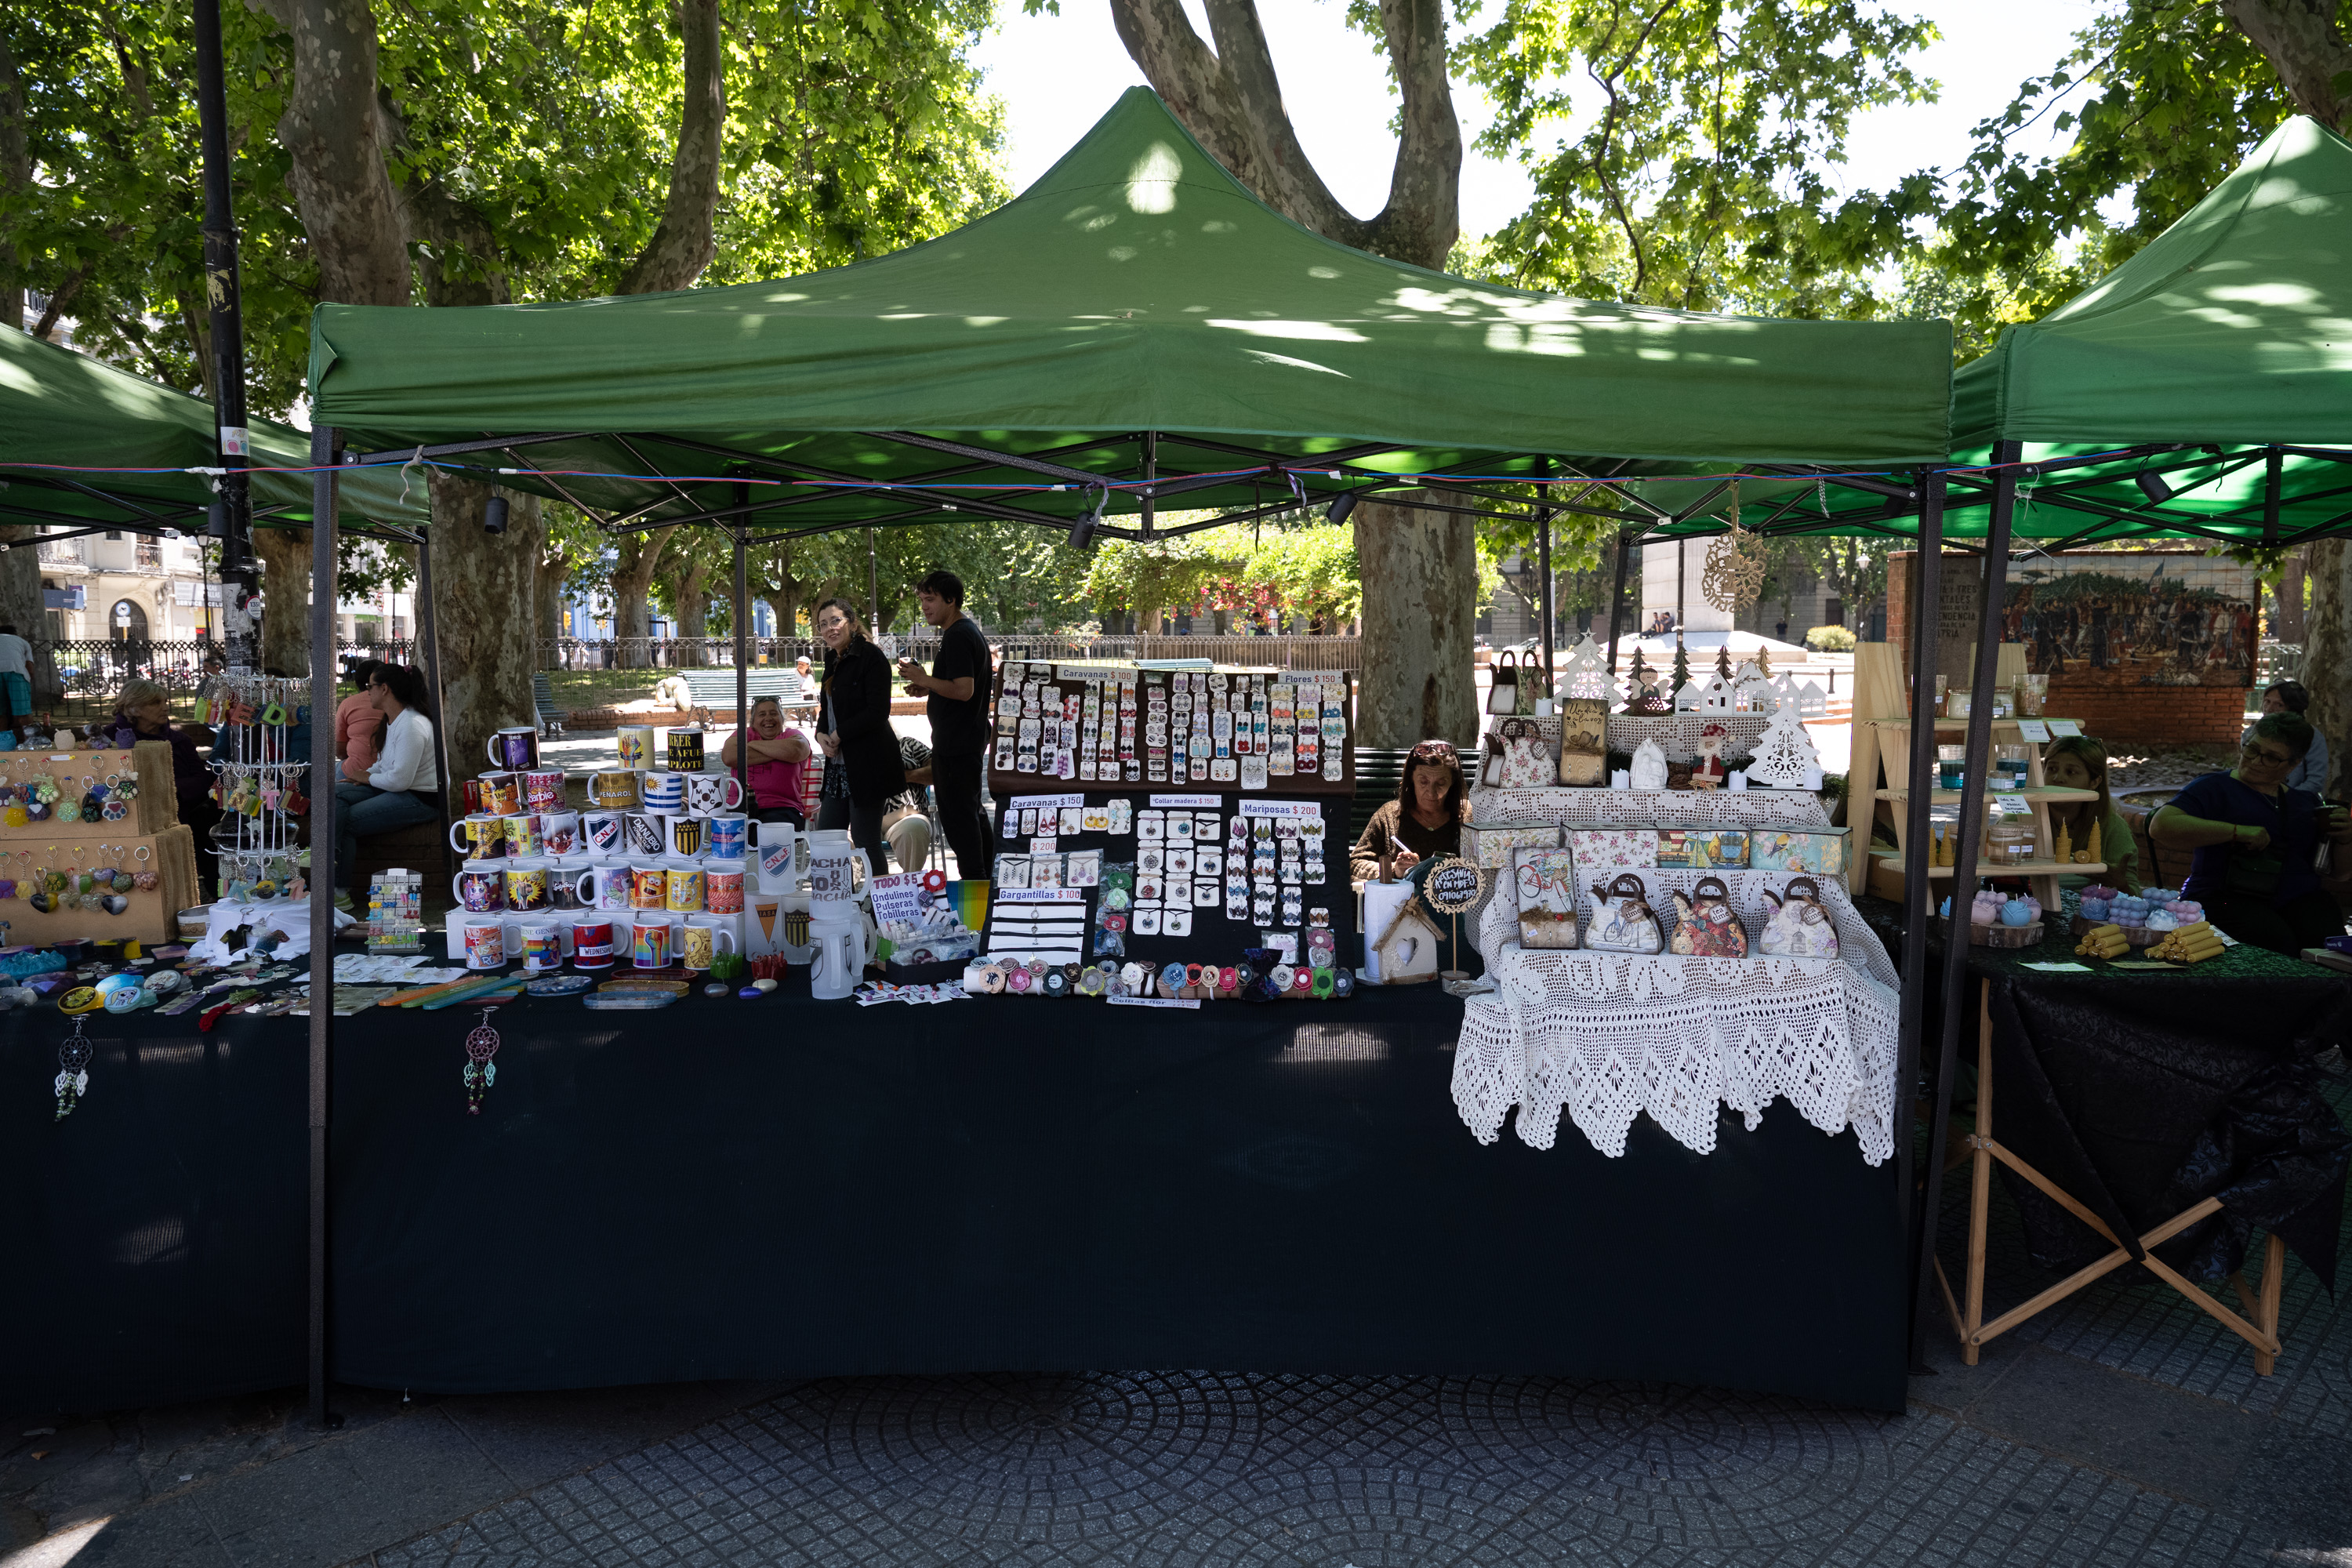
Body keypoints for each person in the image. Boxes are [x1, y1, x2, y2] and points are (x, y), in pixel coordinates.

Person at [2151, 711, 2352, 953]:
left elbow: (2340, 874)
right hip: (2225, 898)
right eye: (2252, 750)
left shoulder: (2305, 803)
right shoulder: (2214, 787)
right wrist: (2237, 832)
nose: (2256, 761)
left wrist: (2345, 838)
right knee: (2275, 942)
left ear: (2293, 764)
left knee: (2329, 944)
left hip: (2299, 899)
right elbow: (2161, 826)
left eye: (2271, 758)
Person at [895, 568, 992, 878]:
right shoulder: (960, 633)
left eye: (931, 599)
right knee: (971, 813)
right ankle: (986, 877)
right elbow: (955, 685)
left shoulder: (960, 634)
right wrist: (928, 686)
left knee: (960, 818)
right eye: (922, 599)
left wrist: (924, 678)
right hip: (961, 739)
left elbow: (964, 690)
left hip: (959, 743)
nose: (925, 606)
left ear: (951, 600)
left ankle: (976, 883)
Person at [332, 664, 442, 909]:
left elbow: (399, 780)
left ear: (385, 689)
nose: (366, 692)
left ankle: (338, 889)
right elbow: (385, 764)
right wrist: (363, 775)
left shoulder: (412, 724)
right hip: (397, 789)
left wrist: (366, 778)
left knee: (347, 822)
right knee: (333, 795)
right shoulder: (396, 720)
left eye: (370, 686)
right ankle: (326, 857)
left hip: (419, 798)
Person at [811, 597, 904, 872]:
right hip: (837, 766)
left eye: (835, 620)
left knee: (865, 841)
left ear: (851, 621)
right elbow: (827, 708)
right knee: (826, 837)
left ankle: (878, 906)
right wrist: (821, 735)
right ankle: (836, 901)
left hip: (867, 764)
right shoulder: (832, 658)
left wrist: (839, 734)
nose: (830, 629)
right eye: (823, 624)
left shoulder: (871, 657)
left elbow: (877, 711)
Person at [115, 677, 221, 895]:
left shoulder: (179, 739)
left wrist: (168, 789)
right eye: (156, 703)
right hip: (132, 815)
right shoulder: (114, 739)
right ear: (134, 708)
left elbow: (202, 778)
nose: (165, 707)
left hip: (182, 812)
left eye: (165, 701)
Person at [1350, 739, 1469, 884]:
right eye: (1423, 782)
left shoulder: (1468, 816)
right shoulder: (1389, 815)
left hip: (1456, 904)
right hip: (1399, 905)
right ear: (1411, 778)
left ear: (1453, 782)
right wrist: (1394, 869)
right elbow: (1355, 864)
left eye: (1441, 783)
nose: (1431, 793)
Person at [2042, 735, 2141, 893]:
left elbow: (2135, 897)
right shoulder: (2020, 818)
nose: (2058, 778)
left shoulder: (2113, 828)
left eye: (2071, 772)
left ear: (2094, 782)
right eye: (2052, 769)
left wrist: (2120, 884)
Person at [721, 694, 812, 828]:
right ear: (753, 722)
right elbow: (729, 756)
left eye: (774, 713)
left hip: (782, 807)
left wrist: (751, 745)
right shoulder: (743, 734)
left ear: (782, 718)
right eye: (762, 714)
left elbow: (797, 751)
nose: (768, 718)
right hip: (739, 805)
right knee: (731, 831)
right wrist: (780, 752)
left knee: (763, 834)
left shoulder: (791, 735)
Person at [2240, 680, 2329, 795]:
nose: (2269, 708)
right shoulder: (2251, 733)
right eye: (2267, 701)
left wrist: (2285, 799)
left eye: (2279, 705)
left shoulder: (2312, 736)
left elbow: (2315, 781)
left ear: (2294, 709)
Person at [335, 658, 386, 784]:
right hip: (367, 773)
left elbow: (340, 751)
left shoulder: (348, 704)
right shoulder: (400, 706)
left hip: (378, 774)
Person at [0, 622, 32, 738]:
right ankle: (29, 740)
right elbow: (30, 666)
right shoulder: (22, 642)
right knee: (23, 712)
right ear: (15, 634)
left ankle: (3, 742)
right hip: (16, 672)